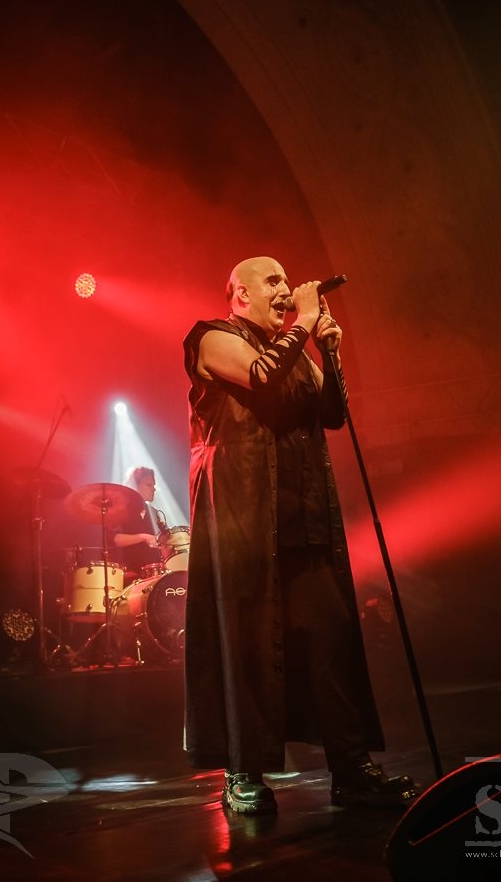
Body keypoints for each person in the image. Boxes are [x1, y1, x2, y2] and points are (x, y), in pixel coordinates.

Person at [183, 256, 418, 814]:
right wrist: (305, 322)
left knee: (331, 643)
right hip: (242, 526)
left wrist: (329, 352)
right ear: (240, 293)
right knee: (245, 648)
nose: (286, 289)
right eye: (273, 281)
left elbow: (332, 415)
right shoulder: (211, 337)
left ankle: (351, 770)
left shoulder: (297, 350)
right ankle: (242, 773)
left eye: (288, 282)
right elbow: (261, 377)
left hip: (303, 526)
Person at [110, 466, 170, 580]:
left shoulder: (155, 513)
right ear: (134, 486)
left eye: (154, 485)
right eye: (149, 485)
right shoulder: (121, 510)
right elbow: (115, 539)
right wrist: (143, 537)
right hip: (127, 575)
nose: (154, 489)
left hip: (153, 575)